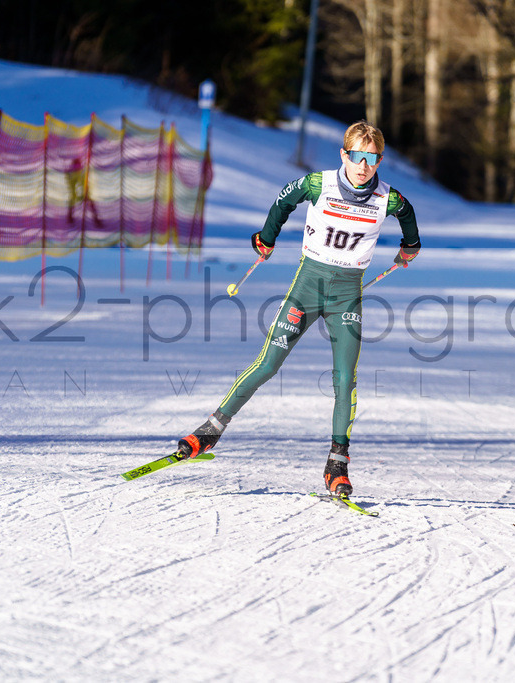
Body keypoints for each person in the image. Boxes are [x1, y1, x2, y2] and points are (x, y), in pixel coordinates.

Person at [176, 121, 420, 496]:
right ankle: (210, 430)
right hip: (307, 288)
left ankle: (337, 464)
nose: (364, 166)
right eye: (358, 156)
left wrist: (410, 247)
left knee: (345, 381)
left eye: (372, 159)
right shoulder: (317, 184)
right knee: (268, 363)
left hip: (346, 296)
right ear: (344, 154)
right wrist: (266, 237)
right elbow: (282, 202)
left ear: (379, 160)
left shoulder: (387, 198)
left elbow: (408, 215)